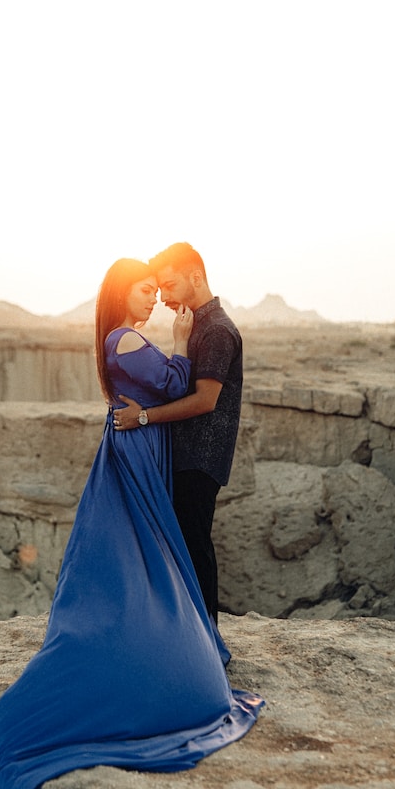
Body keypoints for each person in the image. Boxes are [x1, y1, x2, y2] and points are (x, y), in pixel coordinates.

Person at [0, 258, 262, 789]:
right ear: (122, 296)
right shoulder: (126, 340)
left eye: (159, 285)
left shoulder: (140, 338)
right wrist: (177, 347)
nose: (153, 295)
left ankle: (175, 639)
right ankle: (148, 650)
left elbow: (183, 388)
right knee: (138, 561)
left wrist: (177, 345)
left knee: (160, 558)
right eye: (143, 287)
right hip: (137, 453)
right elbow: (184, 390)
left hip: (143, 452)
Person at [113, 243, 242, 624]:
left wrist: (145, 418)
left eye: (168, 286)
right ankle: (193, 637)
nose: (164, 297)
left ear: (196, 277)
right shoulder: (196, 325)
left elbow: (205, 401)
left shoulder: (216, 329)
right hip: (185, 456)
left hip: (200, 458)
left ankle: (208, 642)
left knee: (195, 548)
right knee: (184, 548)